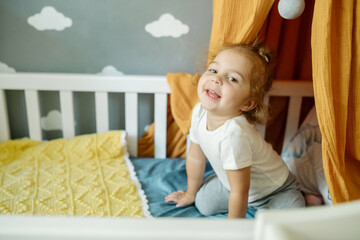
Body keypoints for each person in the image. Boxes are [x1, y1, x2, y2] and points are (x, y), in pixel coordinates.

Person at [164, 40, 305, 218]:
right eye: (213, 70)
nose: (216, 78)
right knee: (203, 204)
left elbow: (241, 190)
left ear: (248, 103)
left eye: (232, 79)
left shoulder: (234, 134)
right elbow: (195, 156)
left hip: (274, 190)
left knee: (293, 218)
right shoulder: (199, 111)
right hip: (232, 183)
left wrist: (233, 229)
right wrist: (190, 193)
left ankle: (305, 196)